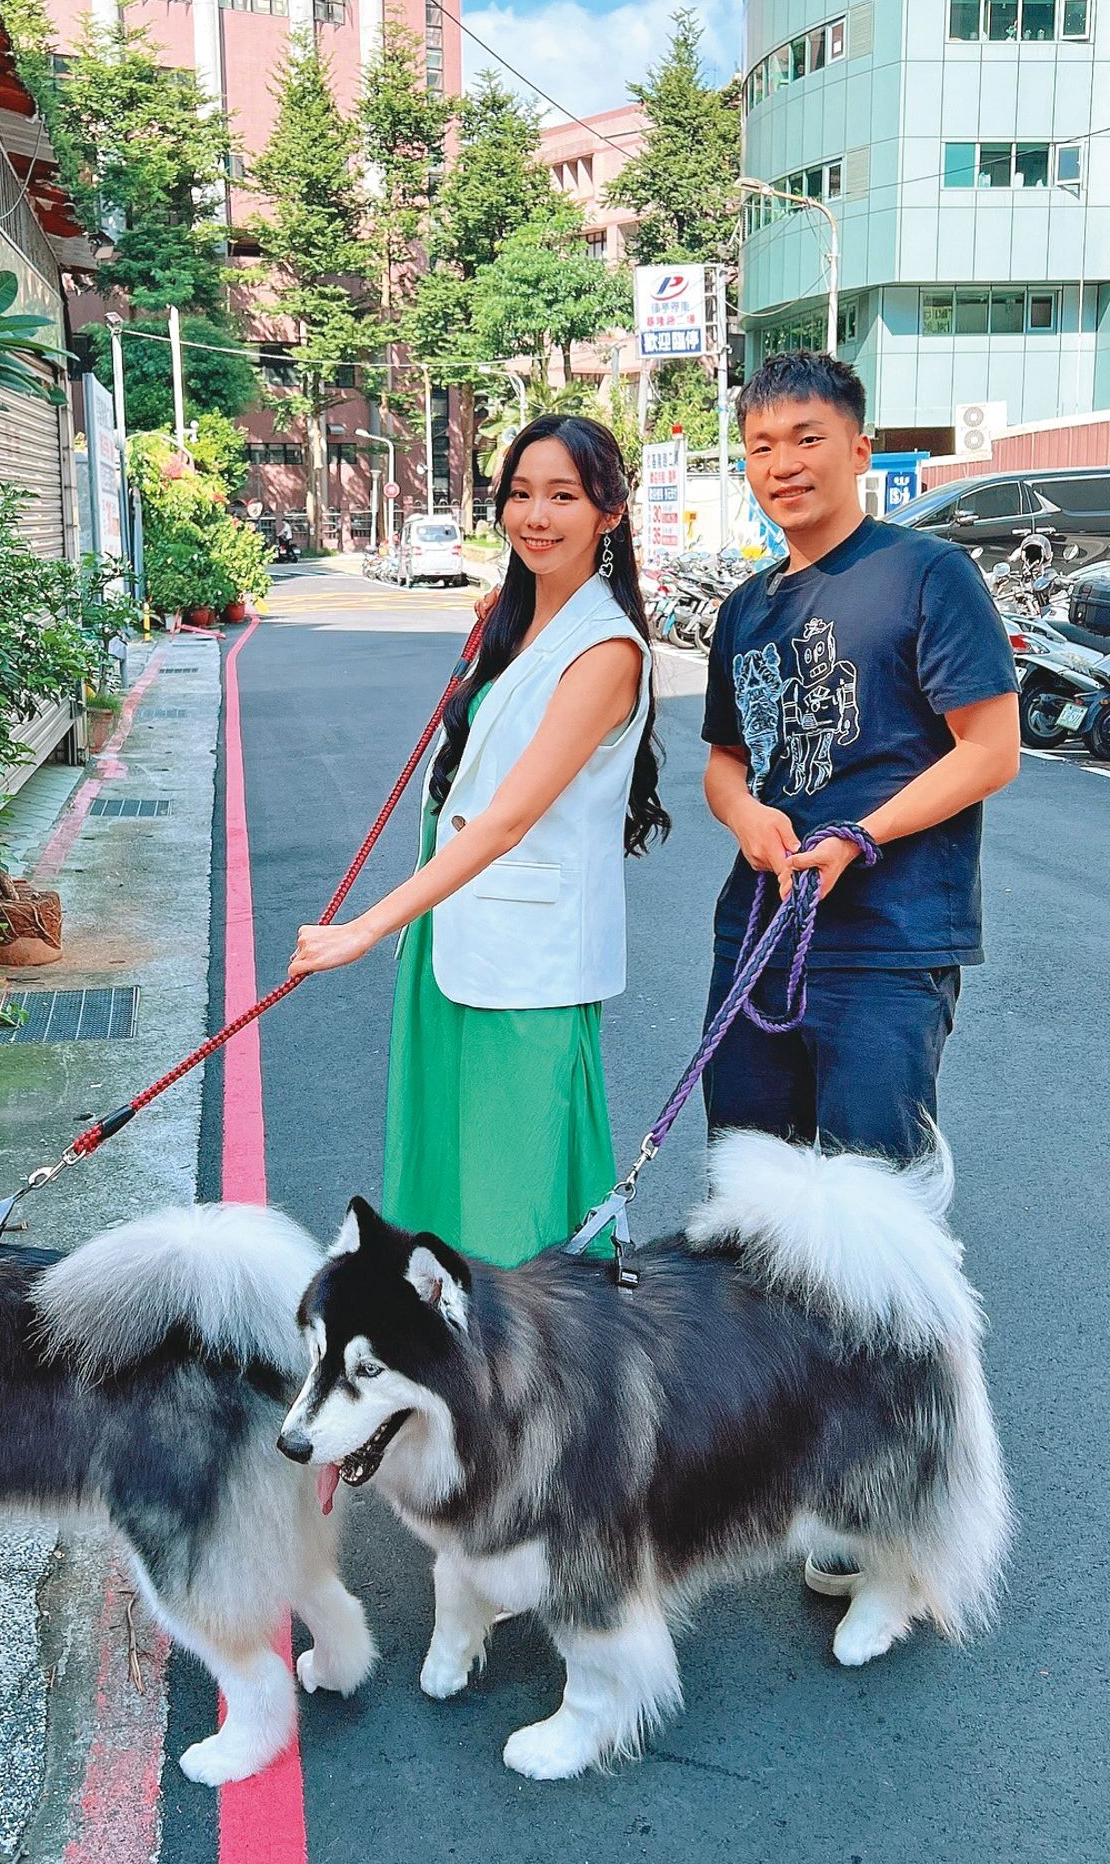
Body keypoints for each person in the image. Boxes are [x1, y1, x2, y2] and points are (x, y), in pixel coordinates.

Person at [287, 415, 669, 1264]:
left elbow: (505, 819)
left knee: (513, 1197)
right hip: (453, 940)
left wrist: (366, 926)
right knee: (440, 1179)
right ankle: (452, 1364)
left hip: (526, 960)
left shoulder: (607, 649)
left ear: (609, 513)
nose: (537, 515)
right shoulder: (518, 621)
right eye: (521, 494)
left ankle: (524, 1382)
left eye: (563, 496)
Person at [701, 350, 1021, 1164]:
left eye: (806, 439)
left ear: (857, 450)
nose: (782, 465)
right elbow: (727, 762)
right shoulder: (744, 607)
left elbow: (989, 752)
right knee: (749, 1199)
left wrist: (854, 837)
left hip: (888, 940)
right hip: (758, 933)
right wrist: (744, 813)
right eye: (762, 447)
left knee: (874, 1211)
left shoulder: (928, 574)